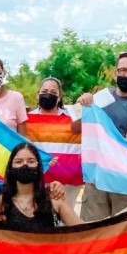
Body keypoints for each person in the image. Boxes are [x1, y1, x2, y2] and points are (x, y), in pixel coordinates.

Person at [73, 51, 127, 221]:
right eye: (122, 69)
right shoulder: (101, 97)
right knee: (92, 232)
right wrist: (82, 105)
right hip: (96, 180)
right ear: (115, 71)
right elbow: (74, 128)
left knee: (124, 235)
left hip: (125, 179)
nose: (126, 74)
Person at [29, 76, 82, 207]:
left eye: (53, 93)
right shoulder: (26, 119)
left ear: (59, 96)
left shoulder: (73, 118)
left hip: (68, 184)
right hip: (36, 182)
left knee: (65, 223)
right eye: (45, 91)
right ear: (38, 95)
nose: (48, 95)